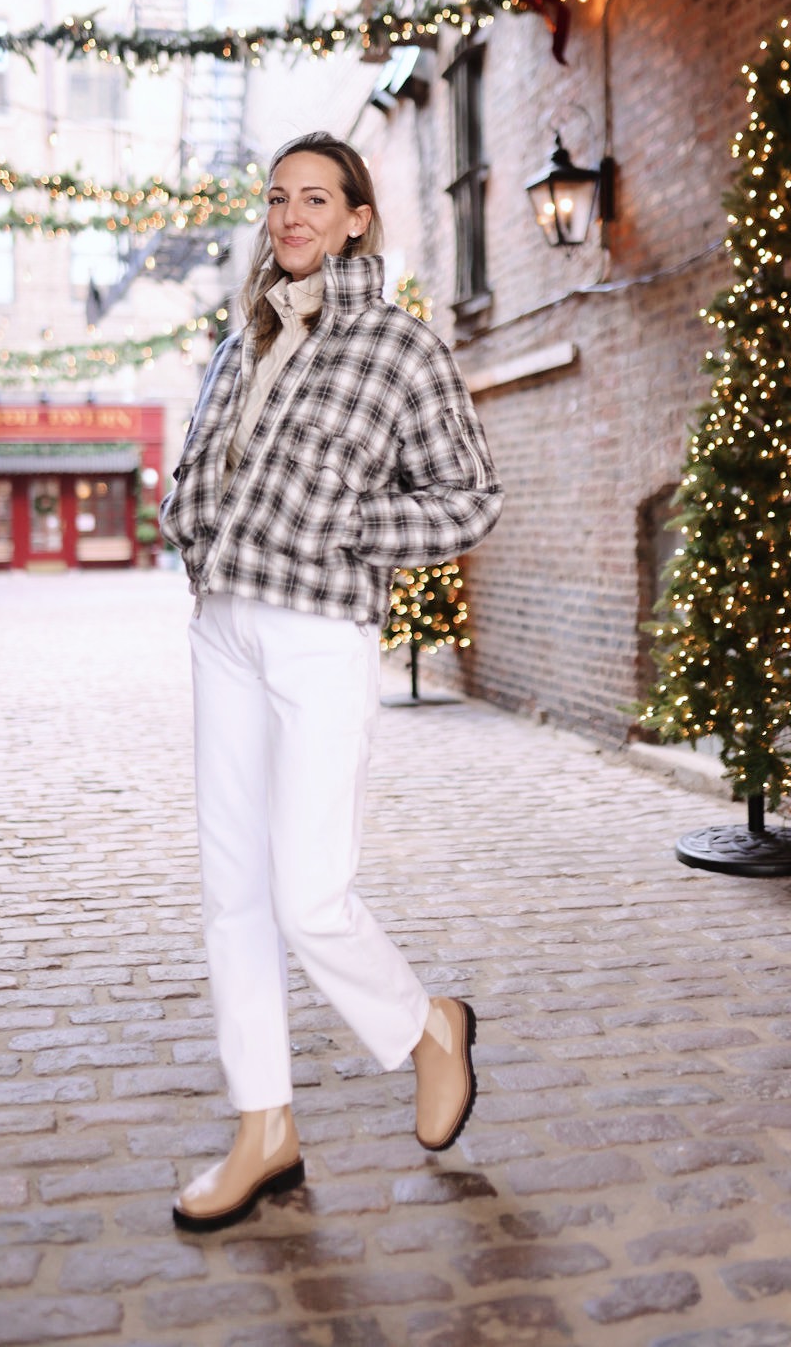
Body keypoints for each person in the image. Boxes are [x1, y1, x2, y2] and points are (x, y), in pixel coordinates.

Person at [159, 130, 504, 1233]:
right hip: (223, 629)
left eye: (316, 198)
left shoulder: (397, 347)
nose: (291, 215)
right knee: (234, 893)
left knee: (309, 893)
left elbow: (469, 497)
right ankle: (265, 1126)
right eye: (277, 198)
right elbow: (202, 465)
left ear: (357, 216)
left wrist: (349, 523)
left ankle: (426, 1029)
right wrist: (188, 517)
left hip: (316, 634)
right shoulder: (242, 335)